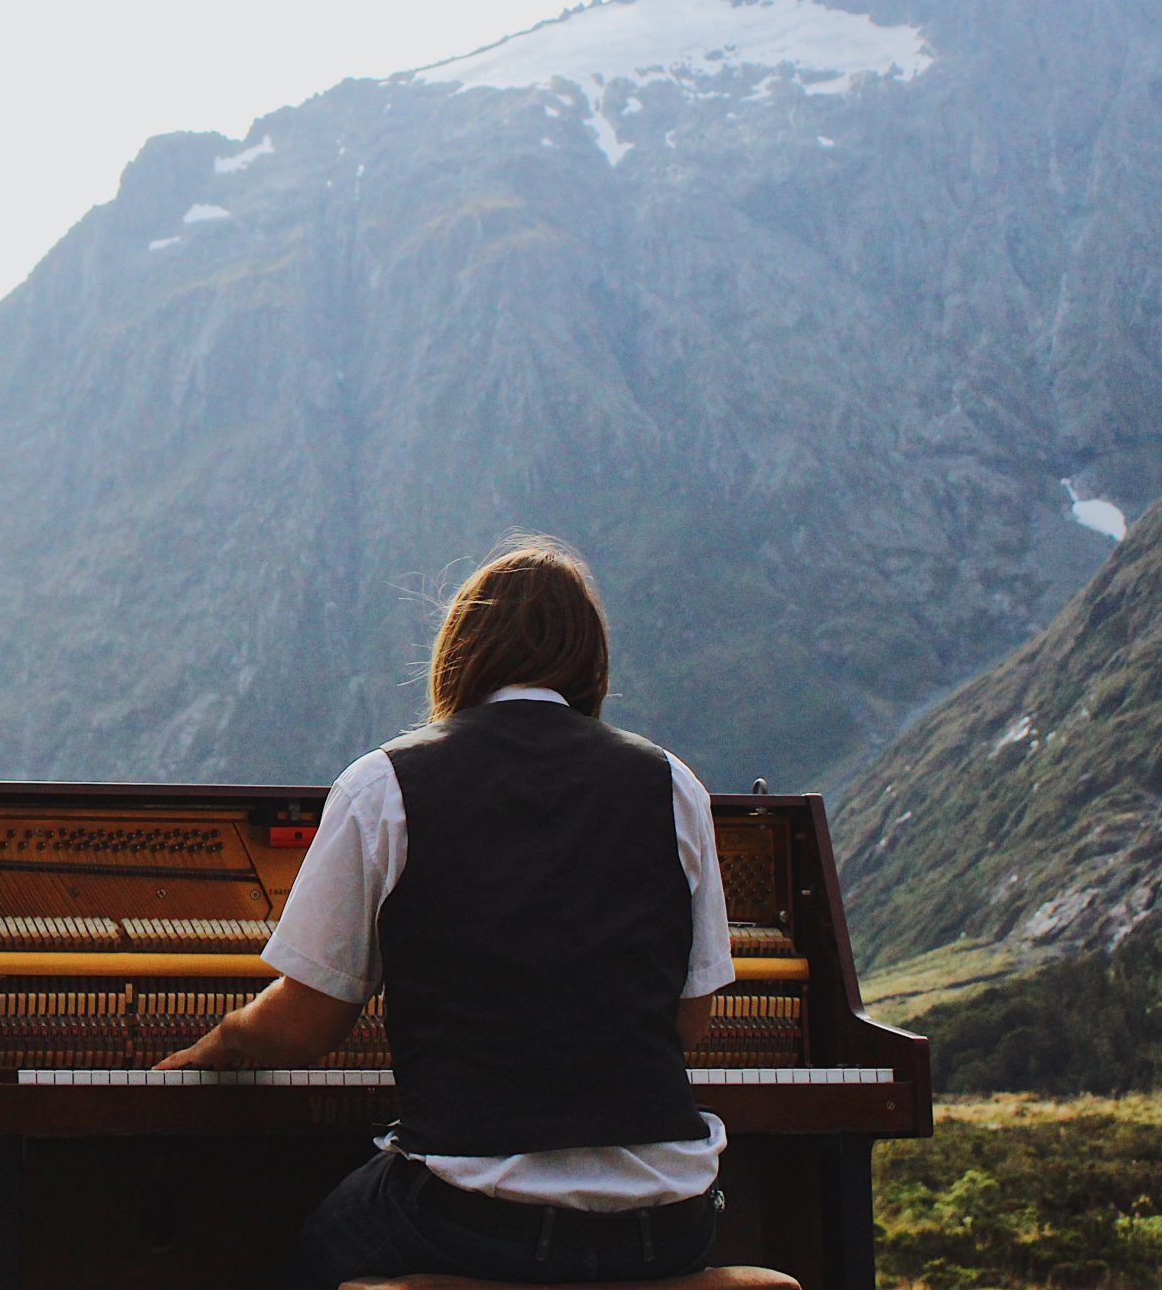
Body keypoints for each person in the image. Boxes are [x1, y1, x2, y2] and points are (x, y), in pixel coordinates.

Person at [157, 534, 732, 1286]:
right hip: (671, 1220)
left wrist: (220, 1045)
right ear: (592, 663)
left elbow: (308, 1023)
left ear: (461, 652)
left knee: (294, 1255)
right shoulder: (672, 785)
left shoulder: (385, 784)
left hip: (476, 1220)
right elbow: (689, 1023)